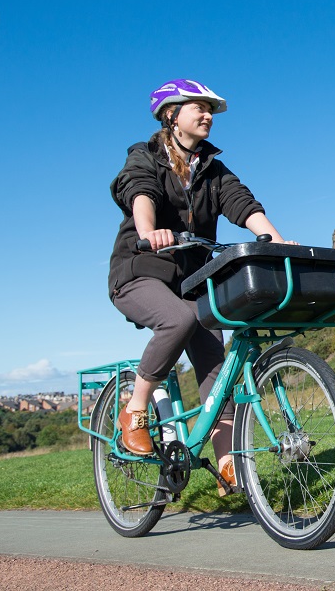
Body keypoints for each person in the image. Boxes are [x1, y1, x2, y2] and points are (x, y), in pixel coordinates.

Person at [107, 78, 295, 495]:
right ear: (171, 115)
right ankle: (134, 411)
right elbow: (139, 189)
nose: (208, 113)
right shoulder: (146, 154)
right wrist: (149, 231)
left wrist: (276, 240)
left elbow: (242, 203)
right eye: (198, 107)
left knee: (217, 369)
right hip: (140, 272)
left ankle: (229, 464)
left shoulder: (212, 167)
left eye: (210, 108)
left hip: (193, 281)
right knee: (176, 320)